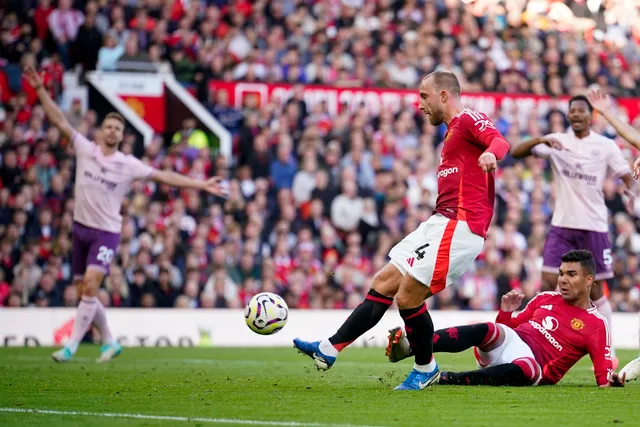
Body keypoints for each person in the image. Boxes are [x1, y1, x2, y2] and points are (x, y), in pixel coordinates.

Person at [293, 70, 511, 390]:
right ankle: (329, 349)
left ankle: (425, 367)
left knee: (408, 295)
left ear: (444, 95)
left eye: (424, 96)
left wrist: (492, 153)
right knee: (384, 282)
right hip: (440, 221)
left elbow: (499, 140)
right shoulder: (451, 133)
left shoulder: (467, 119)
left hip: (461, 224)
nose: (419, 104)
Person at [22, 66, 227, 363]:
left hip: (106, 231)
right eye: (109, 126)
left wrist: (200, 183)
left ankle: (71, 346)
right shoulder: (85, 149)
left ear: (121, 135)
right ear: (101, 130)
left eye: (118, 128)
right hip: (80, 228)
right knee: (85, 293)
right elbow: (59, 120)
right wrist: (41, 90)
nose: (113, 131)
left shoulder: (127, 164)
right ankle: (109, 341)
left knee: (90, 286)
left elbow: (163, 176)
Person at [511, 95, 636, 368]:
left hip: (594, 226)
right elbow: (515, 152)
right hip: (562, 224)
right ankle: (531, 343)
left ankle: (608, 352)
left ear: (591, 115)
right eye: (572, 111)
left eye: (580, 111)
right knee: (546, 282)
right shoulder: (557, 140)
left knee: (596, 292)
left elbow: (625, 173)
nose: (575, 115)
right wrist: (540, 140)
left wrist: (632, 192)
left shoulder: (604, 146)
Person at [386, 250, 626, 388]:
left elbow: (603, 378)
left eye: (572, 275)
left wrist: (612, 381)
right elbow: (508, 328)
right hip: (511, 344)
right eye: (561, 273)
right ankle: (409, 348)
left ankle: (449, 378)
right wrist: (505, 313)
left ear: (589, 280)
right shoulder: (545, 298)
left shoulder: (597, 324)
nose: (563, 280)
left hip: (533, 367)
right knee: (490, 329)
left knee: (528, 367)